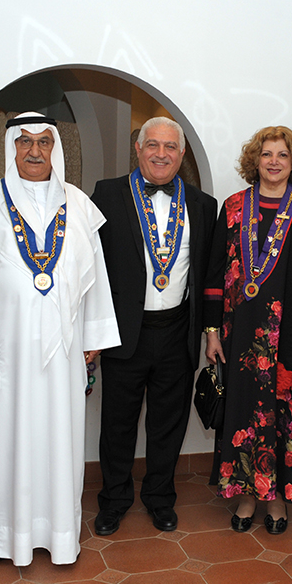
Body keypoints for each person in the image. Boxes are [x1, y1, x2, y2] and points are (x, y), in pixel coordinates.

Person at [0, 112, 120, 566]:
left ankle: (59, 535)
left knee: (60, 438)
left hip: (63, 352)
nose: (34, 151)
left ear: (55, 149)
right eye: (24, 142)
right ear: (11, 147)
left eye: (43, 142)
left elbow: (95, 276)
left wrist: (94, 335)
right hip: (3, 348)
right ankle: (2, 536)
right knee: (6, 437)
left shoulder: (78, 205)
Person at [204, 126, 292, 534]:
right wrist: (212, 332)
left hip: (289, 335)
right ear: (255, 161)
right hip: (239, 335)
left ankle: (277, 498)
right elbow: (214, 272)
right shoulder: (233, 207)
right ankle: (246, 495)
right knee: (242, 412)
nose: (274, 162)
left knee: (282, 415)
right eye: (267, 154)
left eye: (282, 155)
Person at [91, 117, 217, 535]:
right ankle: (114, 500)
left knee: (168, 424)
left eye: (170, 147)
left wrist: (210, 331)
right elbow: (90, 266)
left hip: (178, 331)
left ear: (182, 155)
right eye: (153, 145)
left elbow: (209, 276)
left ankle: (160, 498)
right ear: (138, 149)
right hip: (126, 331)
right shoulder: (107, 194)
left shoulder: (202, 204)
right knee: (118, 425)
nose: (161, 154)